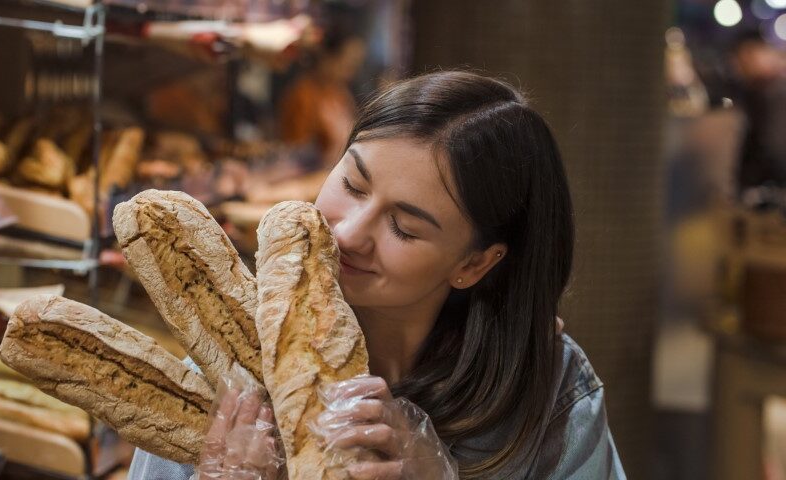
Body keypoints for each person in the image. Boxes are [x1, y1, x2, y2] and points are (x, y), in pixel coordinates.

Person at [128, 71, 626, 479]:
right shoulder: (230, 362)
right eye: (351, 183)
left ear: (474, 263)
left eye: (404, 228)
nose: (347, 233)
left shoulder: (549, 392)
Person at [243, 25, 366, 205]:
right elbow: (295, 156)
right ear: (327, 58)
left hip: (329, 180)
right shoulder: (303, 95)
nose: (351, 71)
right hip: (305, 184)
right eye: (347, 62)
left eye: (355, 65)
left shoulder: (340, 93)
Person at [730, 31, 786, 193]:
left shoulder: (773, 92)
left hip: (769, 192)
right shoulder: (758, 91)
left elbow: (775, 149)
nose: (740, 66)